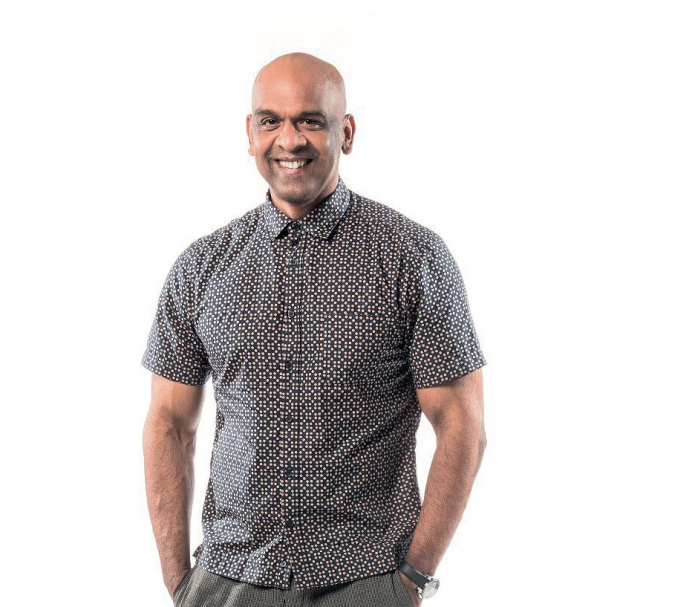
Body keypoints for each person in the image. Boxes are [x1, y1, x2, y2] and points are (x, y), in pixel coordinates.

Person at [141, 52, 487, 607]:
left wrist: (412, 579)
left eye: (310, 120)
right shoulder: (202, 267)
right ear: (250, 133)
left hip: (367, 579)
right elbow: (169, 424)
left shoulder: (412, 257)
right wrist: (181, 583)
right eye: (270, 121)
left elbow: (462, 425)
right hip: (230, 578)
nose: (289, 139)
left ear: (345, 133)